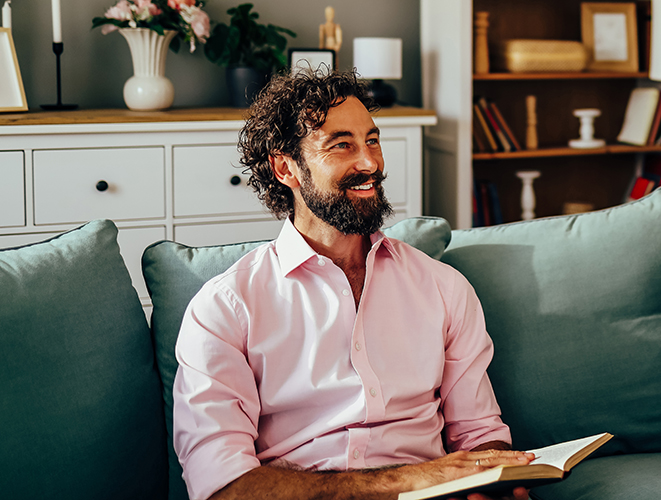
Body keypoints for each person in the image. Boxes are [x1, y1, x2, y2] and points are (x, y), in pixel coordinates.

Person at [172, 70, 533, 500]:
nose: (370, 163)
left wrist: (495, 477)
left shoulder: (444, 288)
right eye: (342, 145)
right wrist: (406, 480)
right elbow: (223, 487)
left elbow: (479, 434)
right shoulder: (226, 308)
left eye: (372, 140)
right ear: (285, 167)